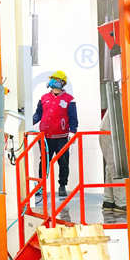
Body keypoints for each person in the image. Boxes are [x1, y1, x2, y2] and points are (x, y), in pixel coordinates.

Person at [33, 70, 78, 200]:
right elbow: (38, 114)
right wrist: (29, 123)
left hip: (61, 137)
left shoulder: (69, 99)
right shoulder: (44, 98)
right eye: (52, 79)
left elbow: (73, 118)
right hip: (45, 137)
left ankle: (62, 185)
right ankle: (41, 186)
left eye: (56, 79)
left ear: (62, 83)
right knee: (44, 162)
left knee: (63, 162)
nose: (53, 82)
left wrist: (73, 131)